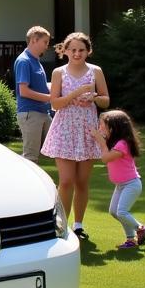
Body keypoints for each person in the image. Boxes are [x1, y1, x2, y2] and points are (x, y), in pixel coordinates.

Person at [40, 31, 110, 241]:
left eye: (81, 50)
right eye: (73, 50)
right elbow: (55, 104)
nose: (77, 53)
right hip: (64, 130)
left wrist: (94, 97)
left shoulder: (95, 71)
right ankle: (62, 226)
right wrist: (74, 94)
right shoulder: (59, 72)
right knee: (67, 180)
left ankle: (78, 226)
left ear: (88, 51)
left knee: (82, 181)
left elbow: (106, 101)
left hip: (87, 130)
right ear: (65, 51)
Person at [90, 109, 145, 250]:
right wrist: (100, 139)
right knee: (114, 212)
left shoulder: (122, 144)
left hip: (131, 184)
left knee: (122, 212)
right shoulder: (115, 142)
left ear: (113, 128)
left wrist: (100, 141)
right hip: (121, 185)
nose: (100, 128)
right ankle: (131, 239)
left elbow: (105, 158)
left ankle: (140, 228)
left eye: (103, 126)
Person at [14, 25, 52, 162]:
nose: (47, 46)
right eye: (45, 42)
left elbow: (41, 86)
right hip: (30, 113)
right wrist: (51, 98)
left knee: (55, 149)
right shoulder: (24, 61)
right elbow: (23, 91)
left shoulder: (35, 60)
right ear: (34, 40)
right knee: (30, 158)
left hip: (43, 112)